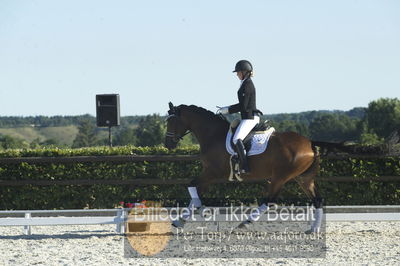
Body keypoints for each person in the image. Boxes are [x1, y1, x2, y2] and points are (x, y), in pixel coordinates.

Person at [217, 60, 262, 173]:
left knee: (237, 138)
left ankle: (245, 166)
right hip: (247, 117)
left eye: (238, 72)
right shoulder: (245, 83)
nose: (237, 74)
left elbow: (243, 105)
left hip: (250, 118)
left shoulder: (248, 85)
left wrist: (227, 110)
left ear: (245, 72)